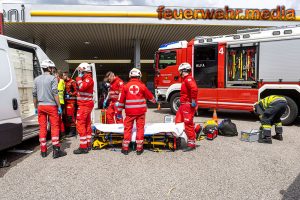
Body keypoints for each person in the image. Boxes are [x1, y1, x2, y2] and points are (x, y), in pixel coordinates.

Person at [117, 68, 156, 155]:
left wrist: (118, 113)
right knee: (140, 128)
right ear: (139, 76)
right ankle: (139, 148)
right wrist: (155, 101)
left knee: (127, 128)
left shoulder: (125, 86)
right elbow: (150, 96)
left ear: (130, 76)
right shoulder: (142, 86)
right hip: (140, 112)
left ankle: (125, 148)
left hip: (130, 113)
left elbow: (121, 101)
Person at [32, 59, 67, 159]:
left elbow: (34, 95)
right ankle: (56, 150)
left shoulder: (36, 79)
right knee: (54, 127)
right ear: (48, 68)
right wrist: (59, 106)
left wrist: (35, 107)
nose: (52, 70)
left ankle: (43, 150)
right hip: (51, 106)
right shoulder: (52, 79)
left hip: (41, 106)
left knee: (42, 127)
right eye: (51, 68)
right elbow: (55, 93)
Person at [175, 63, 198, 152]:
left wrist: (193, 101)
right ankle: (180, 138)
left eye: (180, 71)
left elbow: (194, 89)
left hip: (187, 105)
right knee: (178, 121)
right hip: (183, 105)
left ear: (183, 71)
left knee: (188, 124)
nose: (179, 73)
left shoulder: (188, 79)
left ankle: (191, 143)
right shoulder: (185, 80)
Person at [73, 63, 94, 154]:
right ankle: (87, 143)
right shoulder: (85, 79)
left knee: (80, 124)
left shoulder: (88, 79)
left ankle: (83, 147)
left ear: (83, 70)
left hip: (84, 105)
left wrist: (78, 79)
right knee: (86, 124)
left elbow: (82, 87)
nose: (79, 73)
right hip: (85, 104)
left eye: (80, 71)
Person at [63, 71, 78, 137]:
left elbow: (77, 91)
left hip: (71, 102)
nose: (62, 77)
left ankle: (73, 132)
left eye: (63, 75)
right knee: (66, 117)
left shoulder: (72, 82)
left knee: (71, 117)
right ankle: (68, 131)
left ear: (66, 75)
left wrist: (71, 94)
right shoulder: (63, 82)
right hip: (65, 102)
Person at [55, 70, 66, 138]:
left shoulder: (60, 81)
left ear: (58, 75)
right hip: (60, 102)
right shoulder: (62, 81)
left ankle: (61, 134)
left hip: (58, 102)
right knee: (59, 119)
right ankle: (62, 134)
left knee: (58, 119)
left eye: (55, 75)